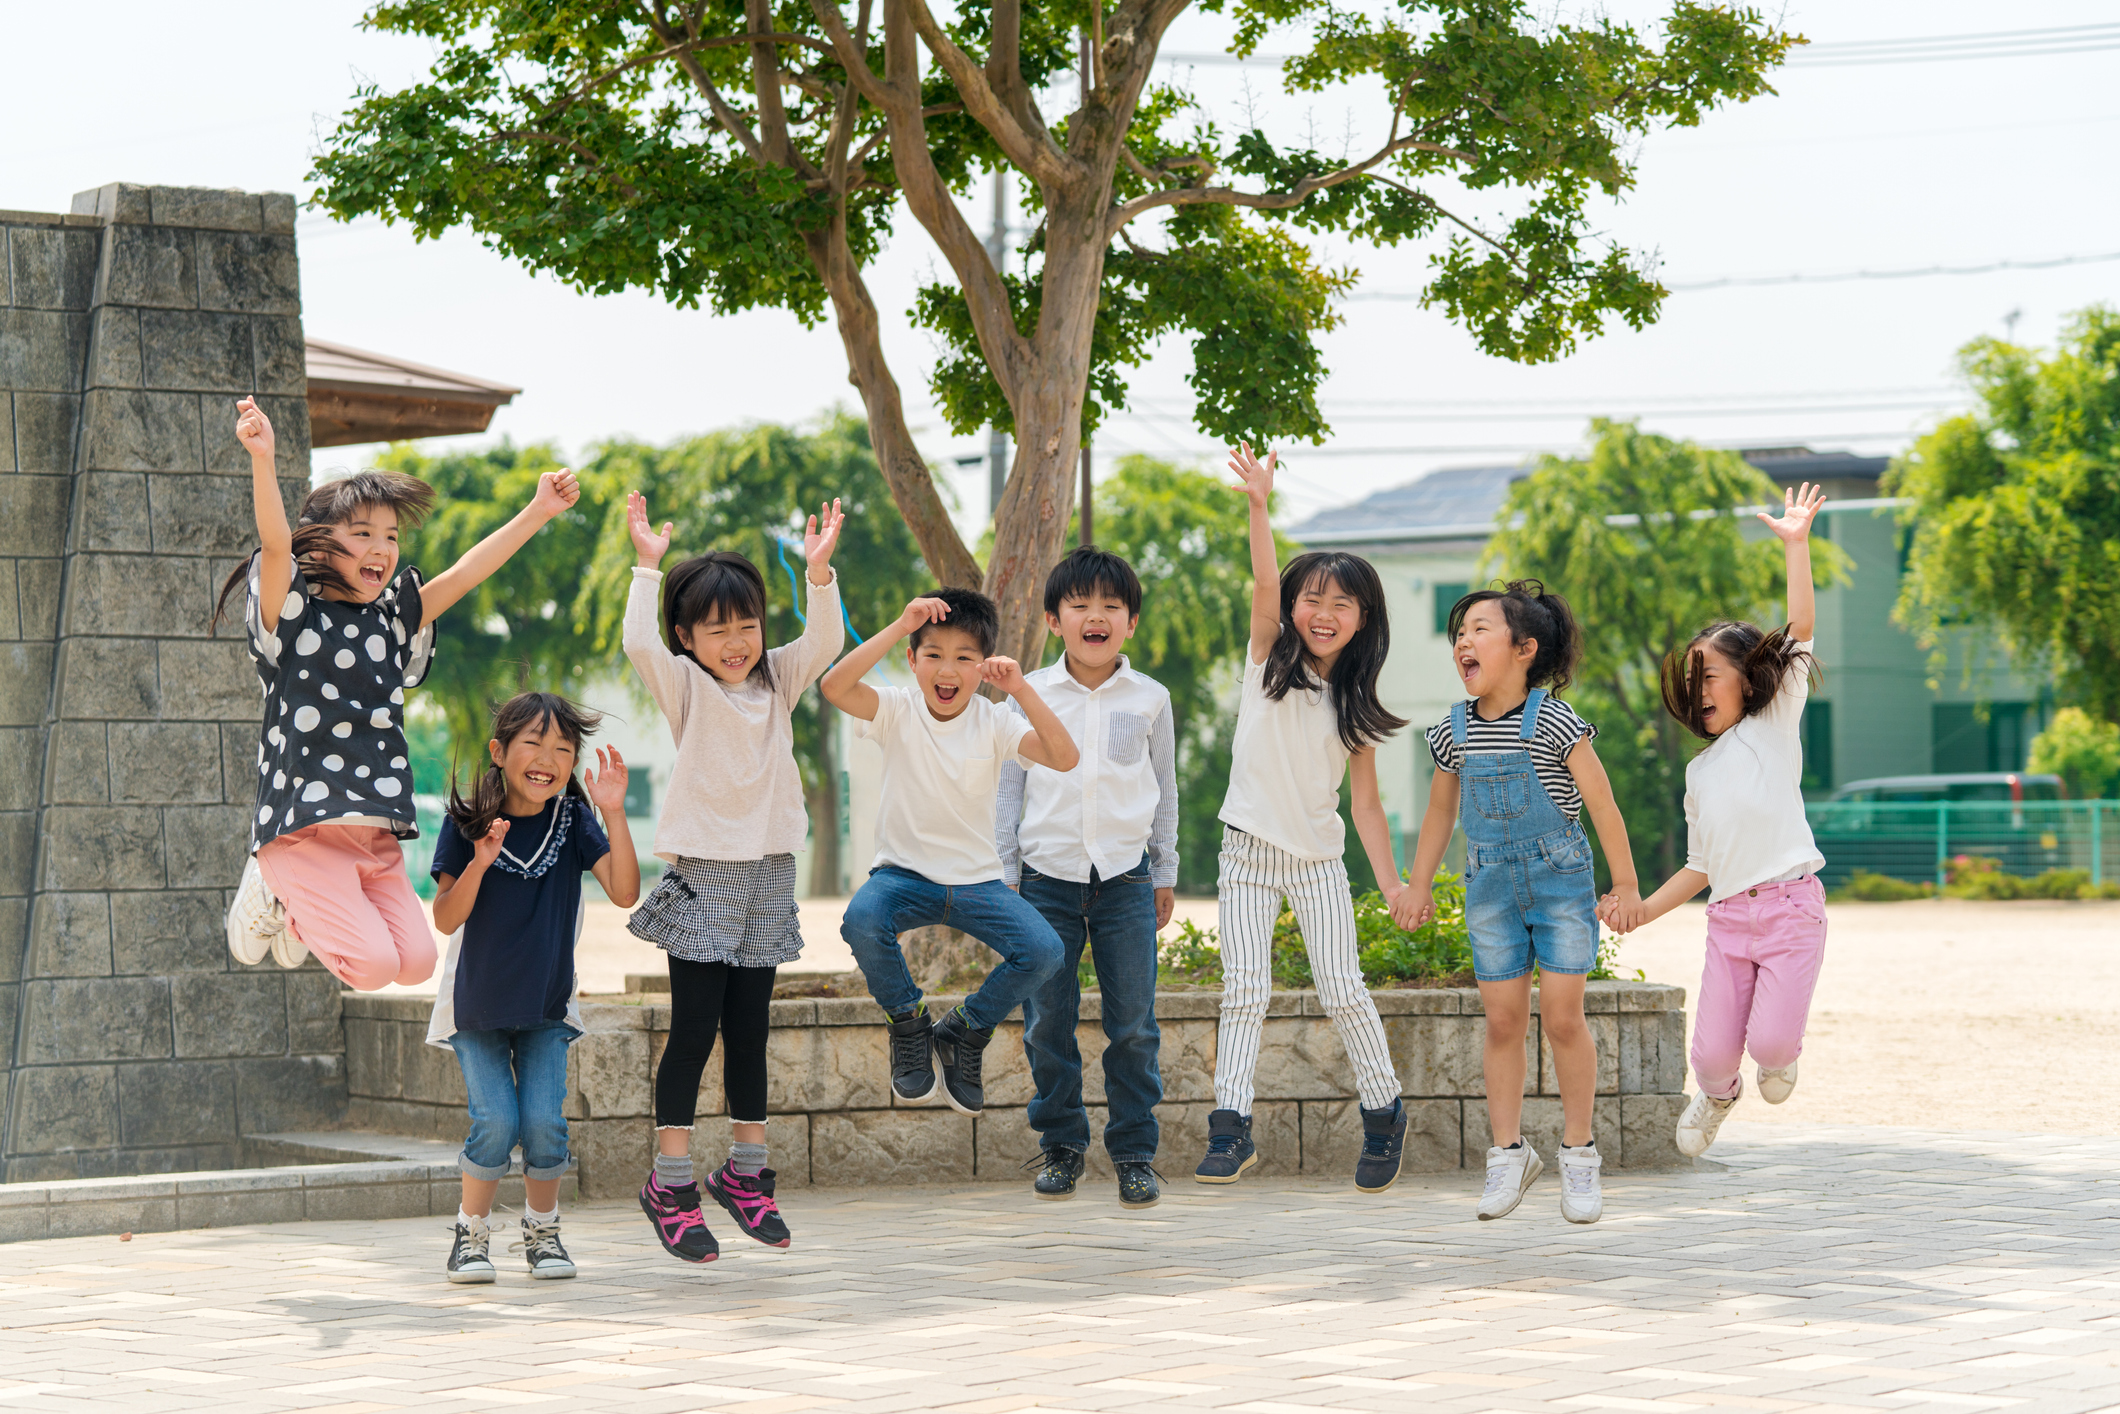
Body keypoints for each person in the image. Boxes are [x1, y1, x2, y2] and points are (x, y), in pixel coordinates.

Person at [215, 397, 580, 990]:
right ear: (322, 542)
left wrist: (537, 511)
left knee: (415, 965)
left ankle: (295, 913)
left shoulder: (391, 623)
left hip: (374, 831)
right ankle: (273, 884)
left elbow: (464, 574)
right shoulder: (294, 618)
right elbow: (277, 544)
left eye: (390, 536)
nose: (382, 548)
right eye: (362, 534)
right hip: (303, 830)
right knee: (374, 968)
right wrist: (264, 459)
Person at [622, 491, 845, 1262]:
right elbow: (638, 645)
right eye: (716, 629)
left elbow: (822, 639)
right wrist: (647, 568)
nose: (736, 641)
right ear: (688, 637)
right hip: (707, 874)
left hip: (768, 874)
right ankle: (671, 1183)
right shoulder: (687, 686)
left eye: (746, 624)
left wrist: (818, 575)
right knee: (693, 1031)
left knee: (749, 1031)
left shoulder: (779, 682)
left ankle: (746, 1176)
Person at [1197, 444, 1416, 1195]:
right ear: (1293, 608)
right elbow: (1263, 578)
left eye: (1341, 604)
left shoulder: (1353, 704)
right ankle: (1230, 1126)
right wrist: (1258, 505)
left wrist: (1392, 887)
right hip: (1246, 854)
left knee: (1344, 988)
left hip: (1318, 861)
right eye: (1312, 599)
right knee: (1245, 990)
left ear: (1363, 619)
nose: (1324, 614)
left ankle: (1385, 1112)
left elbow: (1367, 808)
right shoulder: (1267, 662)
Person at [1402, 579, 1642, 1225]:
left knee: (1564, 1018)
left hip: (1561, 880)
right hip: (1488, 890)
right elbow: (1438, 812)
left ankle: (1579, 1153)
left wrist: (1624, 885)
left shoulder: (1556, 720)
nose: (1464, 641)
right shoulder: (1452, 730)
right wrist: (1418, 882)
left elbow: (1603, 804)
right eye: (1460, 633)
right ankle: (1508, 1155)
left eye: (1480, 628)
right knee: (1504, 1022)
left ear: (1524, 648)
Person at [1609, 484, 1829, 1161]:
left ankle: (1777, 1052)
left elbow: (1799, 629)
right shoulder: (1698, 774)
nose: (1700, 689)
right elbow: (1701, 867)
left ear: (1749, 679)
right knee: (1708, 1058)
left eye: (1713, 676)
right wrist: (1642, 910)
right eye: (1693, 679)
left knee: (1770, 1047)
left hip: (1791, 907)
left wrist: (1797, 548)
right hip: (1729, 920)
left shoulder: (1773, 720)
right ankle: (1719, 1095)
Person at [823, 588, 1080, 1118]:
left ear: (982, 667)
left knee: (1046, 952)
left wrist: (1020, 689)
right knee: (862, 919)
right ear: (914, 660)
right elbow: (834, 685)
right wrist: (900, 624)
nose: (948, 670)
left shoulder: (995, 720)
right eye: (933, 654)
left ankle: (964, 1030)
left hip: (977, 883)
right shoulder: (896, 709)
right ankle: (909, 1023)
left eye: (964, 657)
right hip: (902, 877)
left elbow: (1064, 756)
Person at [424, 693, 639, 1284]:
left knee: (544, 1124)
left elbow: (624, 893)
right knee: (496, 1121)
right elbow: (445, 917)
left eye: (564, 748)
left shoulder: (574, 822)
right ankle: (470, 1236)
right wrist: (481, 860)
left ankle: (543, 1233)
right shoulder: (465, 823)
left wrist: (613, 812)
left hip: (546, 1004)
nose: (549, 757)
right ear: (499, 752)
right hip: (478, 1007)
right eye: (534, 743)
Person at [996, 547, 1178, 1210]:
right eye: (1080, 606)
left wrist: (1166, 869)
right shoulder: (1029, 694)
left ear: (1131, 621)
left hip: (1128, 881)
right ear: (1053, 619)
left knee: (1133, 1024)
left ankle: (1134, 1153)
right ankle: (1062, 1146)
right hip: (1045, 882)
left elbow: (1165, 787)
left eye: (1110, 606)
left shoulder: (1152, 699)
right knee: (1048, 1021)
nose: (1095, 617)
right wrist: (1005, 875)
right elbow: (1008, 790)